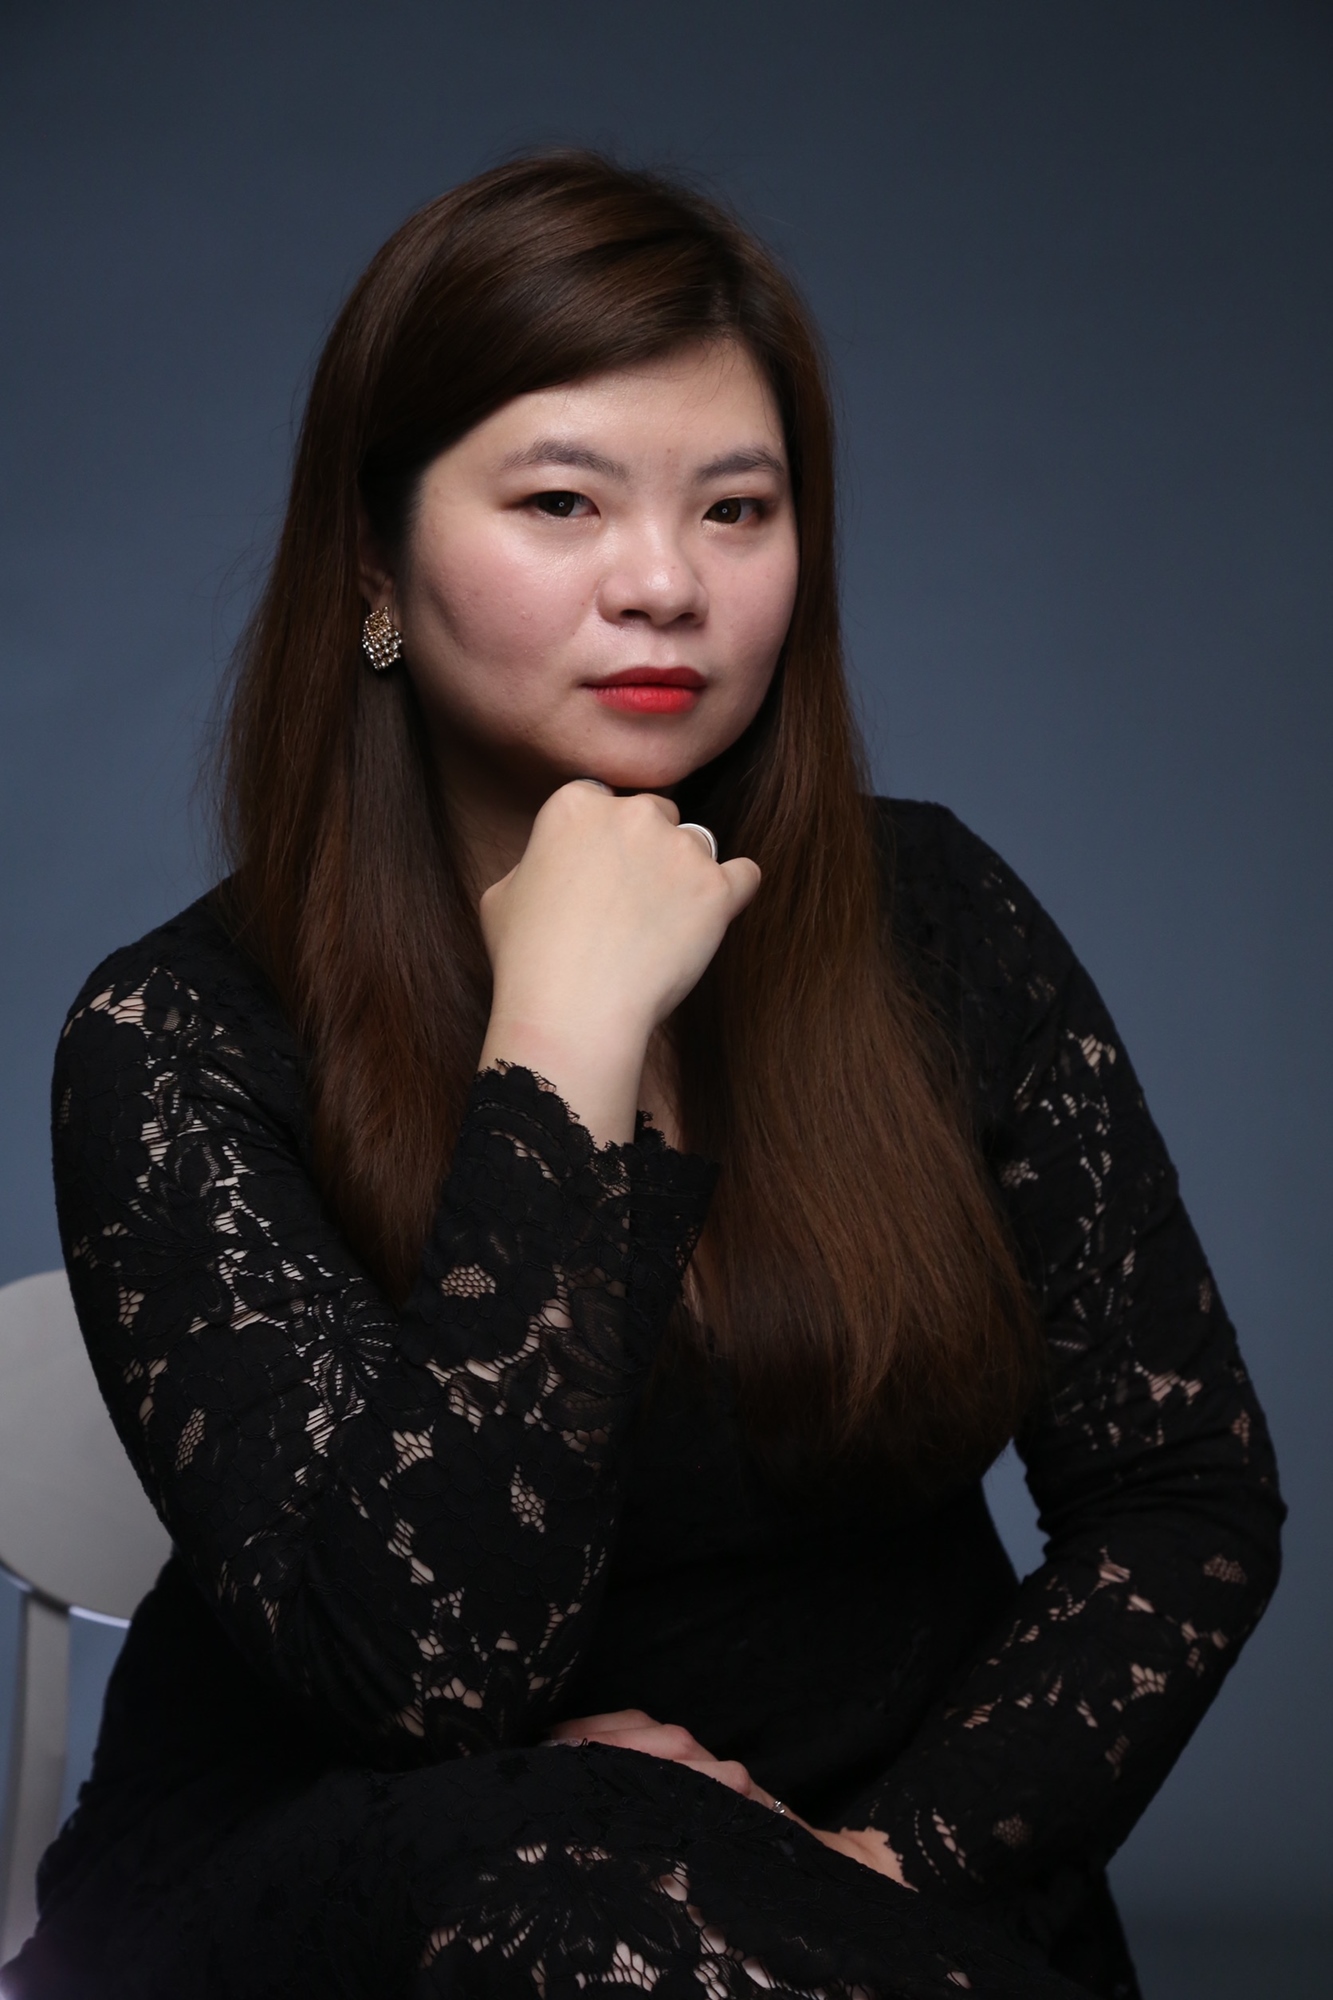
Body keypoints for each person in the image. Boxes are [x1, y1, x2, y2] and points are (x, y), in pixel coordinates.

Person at [4, 154, 1281, 2000]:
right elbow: (429, 1681)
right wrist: (562, 1040)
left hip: (882, 1882)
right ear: (371, 559)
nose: (666, 584)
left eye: (735, 509)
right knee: (560, 1888)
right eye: (561, 502)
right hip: (374, 1880)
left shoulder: (933, 918)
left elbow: (1182, 1498)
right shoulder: (176, 1038)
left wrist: (871, 1869)